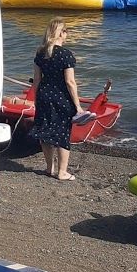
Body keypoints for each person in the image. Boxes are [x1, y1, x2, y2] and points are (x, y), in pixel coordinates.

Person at [31, 19, 84, 181]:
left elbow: (37, 79)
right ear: (61, 33)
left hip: (44, 95)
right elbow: (70, 82)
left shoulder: (40, 53)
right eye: (66, 31)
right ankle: (62, 172)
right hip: (61, 97)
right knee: (62, 133)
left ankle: (49, 168)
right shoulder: (66, 54)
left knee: (45, 131)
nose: (67, 34)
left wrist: (36, 98)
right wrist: (78, 106)